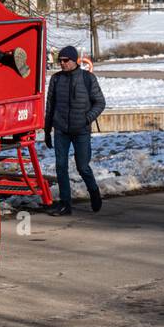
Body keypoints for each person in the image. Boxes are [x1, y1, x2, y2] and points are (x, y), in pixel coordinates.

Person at [44, 45, 106, 215]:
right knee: (61, 166)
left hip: (81, 131)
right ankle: (65, 204)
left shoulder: (87, 78)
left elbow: (100, 102)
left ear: (75, 60)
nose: (62, 63)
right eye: (60, 60)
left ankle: (94, 192)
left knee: (83, 167)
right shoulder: (56, 79)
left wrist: (86, 119)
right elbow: (50, 106)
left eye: (66, 60)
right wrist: (47, 130)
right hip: (61, 130)